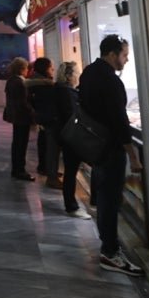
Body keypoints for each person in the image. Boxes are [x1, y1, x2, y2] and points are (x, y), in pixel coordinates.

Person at [79, 34, 144, 276]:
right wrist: (133, 157)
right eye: (124, 55)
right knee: (110, 200)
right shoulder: (110, 81)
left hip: (95, 146)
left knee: (104, 197)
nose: (126, 60)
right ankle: (110, 252)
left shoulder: (89, 72)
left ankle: (109, 246)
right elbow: (119, 121)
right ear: (111, 54)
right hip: (110, 149)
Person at [54, 61, 92, 219]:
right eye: (76, 72)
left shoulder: (61, 90)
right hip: (71, 138)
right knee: (70, 171)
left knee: (71, 170)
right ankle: (71, 206)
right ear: (69, 75)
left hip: (65, 136)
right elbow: (73, 115)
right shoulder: (67, 93)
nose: (78, 76)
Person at [28, 57, 57, 185]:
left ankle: (45, 167)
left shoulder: (36, 82)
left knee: (43, 141)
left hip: (41, 117)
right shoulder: (43, 84)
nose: (53, 70)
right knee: (46, 143)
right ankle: (45, 168)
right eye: (51, 68)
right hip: (45, 117)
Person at [4, 56, 34, 180]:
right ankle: (19, 169)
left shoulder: (11, 80)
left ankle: (17, 168)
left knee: (17, 142)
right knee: (21, 143)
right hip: (21, 117)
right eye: (26, 68)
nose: (27, 70)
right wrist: (33, 113)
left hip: (16, 115)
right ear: (22, 69)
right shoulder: (19, 82)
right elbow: (23, 102)